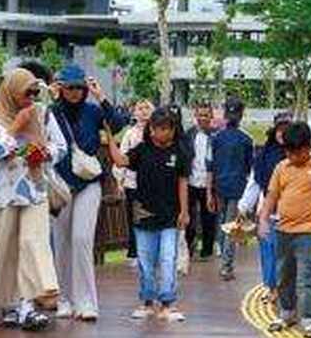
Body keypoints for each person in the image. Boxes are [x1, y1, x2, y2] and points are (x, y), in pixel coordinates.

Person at [0, 68, 66, 330]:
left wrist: (44, 153)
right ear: (11, 91)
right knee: (6, 249)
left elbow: (60, 147)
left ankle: (29, 307)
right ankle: (11, 305)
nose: (32, 98)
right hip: (3, 193)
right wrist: (17, 126)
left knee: (32, 243)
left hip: (35, 189)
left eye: (35, 92)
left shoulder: (42, 113)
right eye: (27, 93)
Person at [49, 64, 130, 322]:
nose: (74, 92)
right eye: (69, 87)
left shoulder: (93, 111)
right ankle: (63, 299)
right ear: (61, 88)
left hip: (89, 182)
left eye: (79, 87)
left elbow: (118, 124)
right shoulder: (53, 111)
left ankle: (86, 301)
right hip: (61, 183)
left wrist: (100, 95)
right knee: (61, 242)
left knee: (82, 239)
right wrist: (51, 98)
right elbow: (40, 127)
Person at [107, 107, 191, 322]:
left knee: (168, 258)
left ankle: (167, 303)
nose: (159, 132)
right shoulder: (142, 149)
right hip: (143, 213)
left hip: (170, 215)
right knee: (145, 260)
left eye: (164, 128)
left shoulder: (180, 151)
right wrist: (110, 137)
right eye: (156, 128)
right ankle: (147, 302)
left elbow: (183, 182)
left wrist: (184, 211)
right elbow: (120, 161)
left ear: (173, 130)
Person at [259, 121, 311, 338]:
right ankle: (287, 312)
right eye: (289, 152)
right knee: (284, 274)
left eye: (297, 152)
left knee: (306, 275)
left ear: (308, 147)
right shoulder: (281, 168)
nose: (292, 157)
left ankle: (309, 319)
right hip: (284, 228)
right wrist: (263, 220)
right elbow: (271, 196)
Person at [241, 111, 291, 303]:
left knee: (283, 253)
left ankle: (282, 286)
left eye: (286, 130)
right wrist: (244, 206)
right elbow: (255, 181)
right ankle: (271, 287)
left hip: (289, 213)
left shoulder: (297, 155)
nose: (282, 133)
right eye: (279, 129)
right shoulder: (264, 155)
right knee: (268, 252)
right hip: (267, 211)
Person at [210, 96, 253, 281]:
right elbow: (249, 167)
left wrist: (210, 189)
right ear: (241, 115)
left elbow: (211, 165)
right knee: (231, 225)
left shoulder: (217, 138)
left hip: (219, 185)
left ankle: (223, 256)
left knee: (222, 223)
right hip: (237, 186)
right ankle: (226, 265)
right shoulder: (246, 139)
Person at [113, 99, 154, 264]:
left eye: (147, 108)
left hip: (153, 183)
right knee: (134, 217)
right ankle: (134, 252)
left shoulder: (156, 132)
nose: (143, 111)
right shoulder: (130, 134)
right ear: (134, 112)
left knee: (152, 216)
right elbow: (122, 156)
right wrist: (119, 181)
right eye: (140, 108)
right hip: (132, 182)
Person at [185, 101, 217, 262]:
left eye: (206, 115)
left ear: (211, 116)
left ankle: (207, 250)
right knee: (189, 217)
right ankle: (189, 247)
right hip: (191, 181)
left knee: (208, 217)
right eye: (200, 115)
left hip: (209, 183)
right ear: (195, 116)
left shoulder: (215, 135)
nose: (203, 118)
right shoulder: (189, 134)